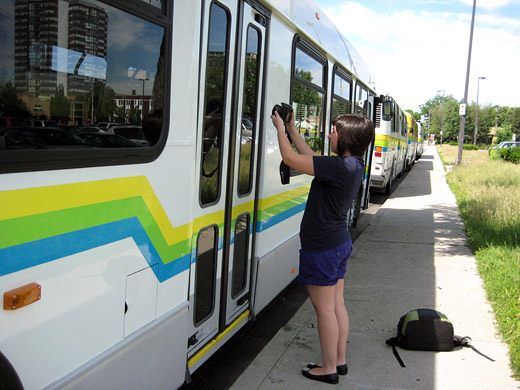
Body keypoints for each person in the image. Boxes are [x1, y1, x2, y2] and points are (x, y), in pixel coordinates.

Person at [271, 109, 374, 385]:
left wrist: (279, 128)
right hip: (338, 244)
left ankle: (327, 367)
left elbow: (291, 159)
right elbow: (310, 159)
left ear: (346, 138)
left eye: (334, 131)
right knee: (336, 304)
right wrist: (292, 130)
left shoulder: (340, 168)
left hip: (323, 248)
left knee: (324, 309)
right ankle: (338, 360)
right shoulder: (352, 165)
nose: (330, 134)